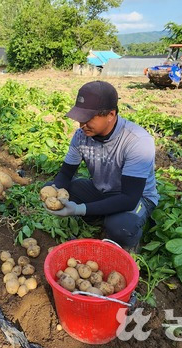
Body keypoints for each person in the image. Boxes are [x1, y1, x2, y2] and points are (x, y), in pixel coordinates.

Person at [45, 80, 159, 252]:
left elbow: (129, 198)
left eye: (88, 119)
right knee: (63, 188)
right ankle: (101, 215)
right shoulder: (81, 136)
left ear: (111, 115)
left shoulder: (137, 141)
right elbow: (66, 174)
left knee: (120, 227)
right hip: (103, 191)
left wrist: (80, 209)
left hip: (136, 197)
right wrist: (51, 191)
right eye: (80, 119)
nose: (82, 125)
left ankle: (128, 239)